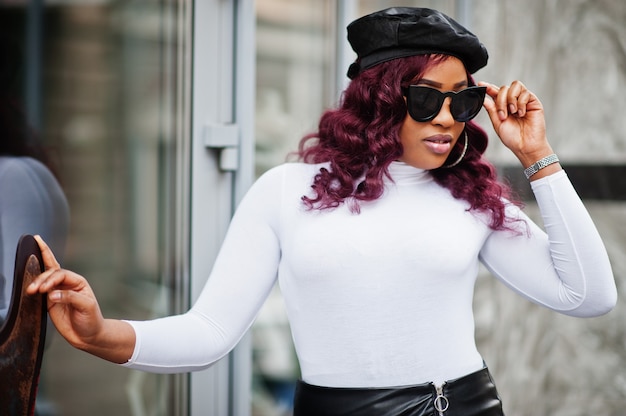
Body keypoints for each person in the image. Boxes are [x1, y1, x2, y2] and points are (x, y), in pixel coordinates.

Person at [27, 7, 616, 415]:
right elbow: (209, 332)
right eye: (425, 98)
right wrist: (100, 334)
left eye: (461, 100)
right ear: (380, 101)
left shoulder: (471, 198)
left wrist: (537, 155)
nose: (446, 117)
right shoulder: (286, 191)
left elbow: (588, 295)